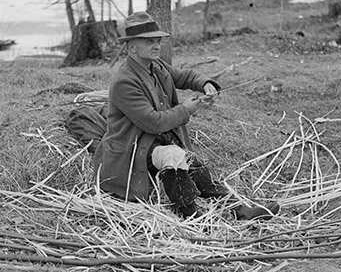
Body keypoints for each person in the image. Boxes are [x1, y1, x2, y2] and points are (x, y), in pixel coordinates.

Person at [93, 12, 274, 220]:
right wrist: (186, 110)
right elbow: (154, 122)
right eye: (149, 41)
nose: (156, 45)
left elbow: (184, 76)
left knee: (194, 164)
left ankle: (238, 210)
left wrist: (205, 83)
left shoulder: (156, 66)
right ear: (131, 47)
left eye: (158, 40)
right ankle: (192, 215)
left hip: (152, 141)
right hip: (131, 149)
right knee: (174, 156)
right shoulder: (125, 81)